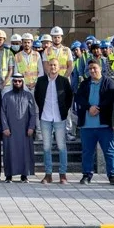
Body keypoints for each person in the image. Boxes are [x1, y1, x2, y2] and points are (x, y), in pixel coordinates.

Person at [73, 60, 114, 184]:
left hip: (104, 125)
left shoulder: (109, 82)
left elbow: (112, 98)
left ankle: (112, 175)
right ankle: (87, 175)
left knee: (109, 151)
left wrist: (99, 108)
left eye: (94, 68)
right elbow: (79, 98)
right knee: (87, 152)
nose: (92, 71)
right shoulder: (84, 83)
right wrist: (89, 107)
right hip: (87, 125)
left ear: (100, 68)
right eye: (90, 69)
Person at [34, 55, 72, 184]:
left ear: (59, 67)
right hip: (45, 117)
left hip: (59, 117)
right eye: (50, 65)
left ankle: (63, 174)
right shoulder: (41, 81)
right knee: (46, 147)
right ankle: (48, 174)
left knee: (61, 146)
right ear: (47, 67)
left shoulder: (64, 81)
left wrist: (64, 111)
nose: (52, 67)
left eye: (55, 65)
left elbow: (69, 97)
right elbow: (37, 96)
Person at [0, 72, 39, 182]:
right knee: (10, 152)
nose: (17, 83)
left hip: (24, 131)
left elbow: (33, 113)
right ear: (12, 82)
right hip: (10, 131)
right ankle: (9, 176)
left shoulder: (28, 96)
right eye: (15, 81)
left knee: (24, 152)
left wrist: (31, 127)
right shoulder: (7, 96)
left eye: (19, 81)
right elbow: (2, 113)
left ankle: (24, 175)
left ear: (22, 82)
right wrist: (5, 127)